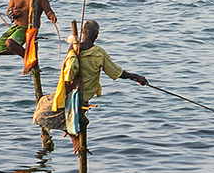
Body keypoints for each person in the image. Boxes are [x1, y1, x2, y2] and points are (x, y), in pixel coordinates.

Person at [34, 19, 147, 153]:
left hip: (76, 95)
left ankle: (73, 133)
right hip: (76, 93)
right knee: (44, 102)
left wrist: (136, 77)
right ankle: (72, 131)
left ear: (82, 32)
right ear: (96, 34)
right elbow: (117, 72)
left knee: (40, 115)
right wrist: (136, 77)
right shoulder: (96, 52)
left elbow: (69, 74)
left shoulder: (79, 49)